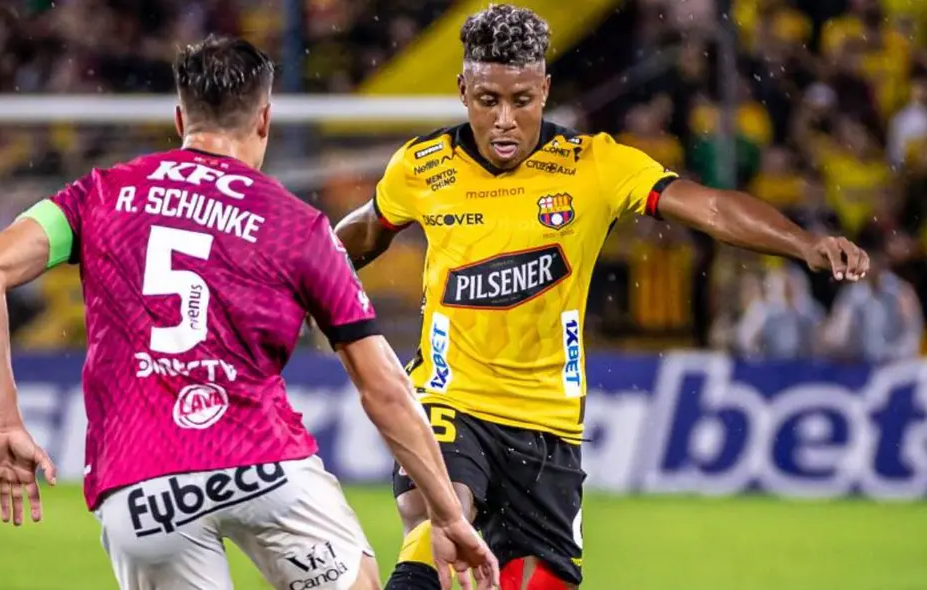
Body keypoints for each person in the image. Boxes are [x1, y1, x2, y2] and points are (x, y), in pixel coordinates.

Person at [332, 5, 870, 590]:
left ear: (545, 89)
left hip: (550, 426)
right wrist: (297, 278)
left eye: (522, 99)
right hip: (449, 398)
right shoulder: (421, 167)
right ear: (463, 90)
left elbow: (709, 206)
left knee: (538, 581)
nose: (506, 120)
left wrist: (804, 243)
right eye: (488, 100)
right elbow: (359, 235)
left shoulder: (595, 166)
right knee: (441, 519)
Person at [0, 36, 498, 590]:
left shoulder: (101, 195)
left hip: (144, 486)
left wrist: (3, 422)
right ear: (264, 119)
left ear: (179, 117)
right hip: (264, 467)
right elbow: (382, 386)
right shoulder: (298, 228)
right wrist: (448, 514)